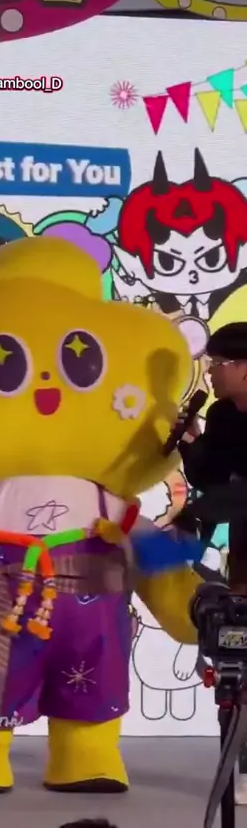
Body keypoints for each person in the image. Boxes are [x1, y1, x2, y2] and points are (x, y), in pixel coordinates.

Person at [177, 321, 247, 804]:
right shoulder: (222, 415)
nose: (211, 375)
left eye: (219, 365)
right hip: (244, 543)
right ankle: (242, 763)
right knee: (239, 647)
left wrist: (202, 510)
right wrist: (189, 440)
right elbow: (211, 476)